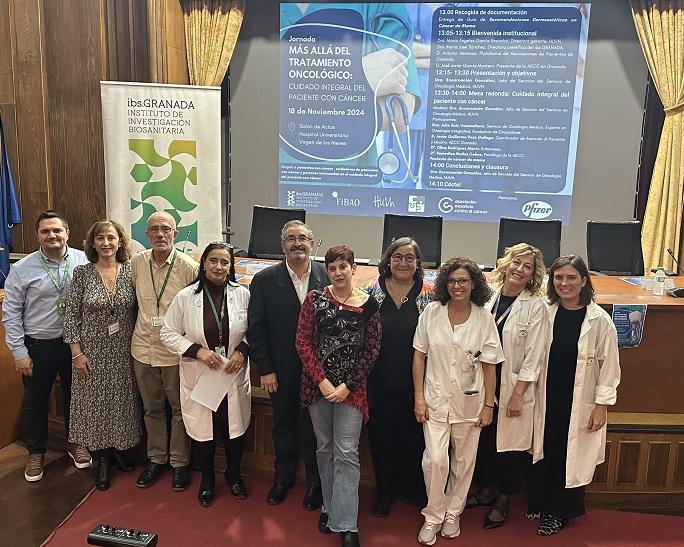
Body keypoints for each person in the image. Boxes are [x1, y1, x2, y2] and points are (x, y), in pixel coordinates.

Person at [413, 257, 505, 545]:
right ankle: (433, 516)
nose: (457, 286)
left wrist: (489, 405)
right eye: (452, 281)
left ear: (474, 284)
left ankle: (453, 513)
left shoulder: (483, 318)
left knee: (464, 463)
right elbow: (419, 355)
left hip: (470, 403)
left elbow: (490, 365)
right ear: (444, 284)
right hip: (435, 400)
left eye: (463, 280)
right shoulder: (431, 312)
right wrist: (419, 397)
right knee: (436, 461)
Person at [528, 255, 620, 536]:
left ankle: (560, 511)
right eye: (558, 278)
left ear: (583, 281)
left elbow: (610, 368)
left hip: (579, 402)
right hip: (547, 396)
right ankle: (542, 503)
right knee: (547, 451)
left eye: (571, 278)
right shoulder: (545, 311)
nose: (564, 283)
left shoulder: (599, 320)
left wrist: (602, 406)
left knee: (568, 456)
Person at [296, 245, 381, 547]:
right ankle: (330, 507)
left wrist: (346, 385)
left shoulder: (369, 304)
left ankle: (347, 524)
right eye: (332, 268)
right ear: (327, 271)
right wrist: (322, 382)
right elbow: (303, 341)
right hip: (317, 388)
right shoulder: (315, 299)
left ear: (353, 268)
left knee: (347, 452)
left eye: (343, 267)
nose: (338, 273)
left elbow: (372, 351)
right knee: (325, 448)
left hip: (352, 391)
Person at [2, 210, 91, 482]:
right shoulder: (22, 269)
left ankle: (76, 443)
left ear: (67, 233)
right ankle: (36, 451)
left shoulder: (84, 260)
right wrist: (19, 353)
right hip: (38, 347)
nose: (51, 235)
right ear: (38, 235)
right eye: (45, 231)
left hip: (75, 346)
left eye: (56, 230)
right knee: (36, 403)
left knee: (76, 400)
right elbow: (11, 314)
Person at [161, 242, 251, 506]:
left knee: (233, 430)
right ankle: (208, 479)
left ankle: (234, 476)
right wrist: (196, 351)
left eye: (225, 262)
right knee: (204, 431)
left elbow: (256, 330)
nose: (219, 267)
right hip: (201, 374)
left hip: (231, 374)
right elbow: (167, 332)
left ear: (231, 266)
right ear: (203, 263)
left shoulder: (243, 294)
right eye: (213, 260)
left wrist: (241, 351)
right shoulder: (186, 296)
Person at [247, 220, 328, 509]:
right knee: (282, 426)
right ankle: (283, 479)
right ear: (282, 245)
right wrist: (265, 369)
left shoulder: (326, 276)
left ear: (311, 242)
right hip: (280, 371)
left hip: (318, 373)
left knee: (315, 429)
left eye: (302, 238)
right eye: (291, 239)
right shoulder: (265, 280)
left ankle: (315, 483)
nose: (297, 244)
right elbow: (255, 329)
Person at [467, 243, 548, 528]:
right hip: (484, 381)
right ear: (506, 264)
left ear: (533, 275)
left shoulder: (535, 307)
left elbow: (534, 357)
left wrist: (518, 395)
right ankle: (486, 488)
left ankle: (503, 498)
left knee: (511, 450)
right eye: (517, 263)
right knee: (485, 441)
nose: (520, 270)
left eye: (528, 267)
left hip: (514, 386)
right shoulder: (487, 297)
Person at [63, 220, 141, 490]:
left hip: (123, 352)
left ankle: (118, 449)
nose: (106, 243)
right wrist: (76, 354)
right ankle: (103, 459)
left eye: (111, 238)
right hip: (90, 353)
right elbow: (72, 316)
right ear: (92, 243)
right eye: (100, 238)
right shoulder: (82, 273)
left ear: (120, 242)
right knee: (93, 406)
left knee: (120, 404)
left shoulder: (131, 271)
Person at [361, 237, 433, 517]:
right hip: (377, 381)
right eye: (398, 257)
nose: (403, 263)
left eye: (410, 258)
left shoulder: (429, 294)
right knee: (381, 438)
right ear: (388, 260)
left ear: (418, 264)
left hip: (418, 383)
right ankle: (386, 490)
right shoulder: (370, 292)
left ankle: (411, 487)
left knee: (414, 438)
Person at [130, 211, 198, 491]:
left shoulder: (188, 267)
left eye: (165, 229)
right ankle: (156, 459)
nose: (160, 234)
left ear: (175, 234)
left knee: (180, 410)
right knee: (151, 409)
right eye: (154, 229)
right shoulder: (136, 263)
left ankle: (180, 463)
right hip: (142, 349)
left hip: (174, 353)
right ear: (146, 235)